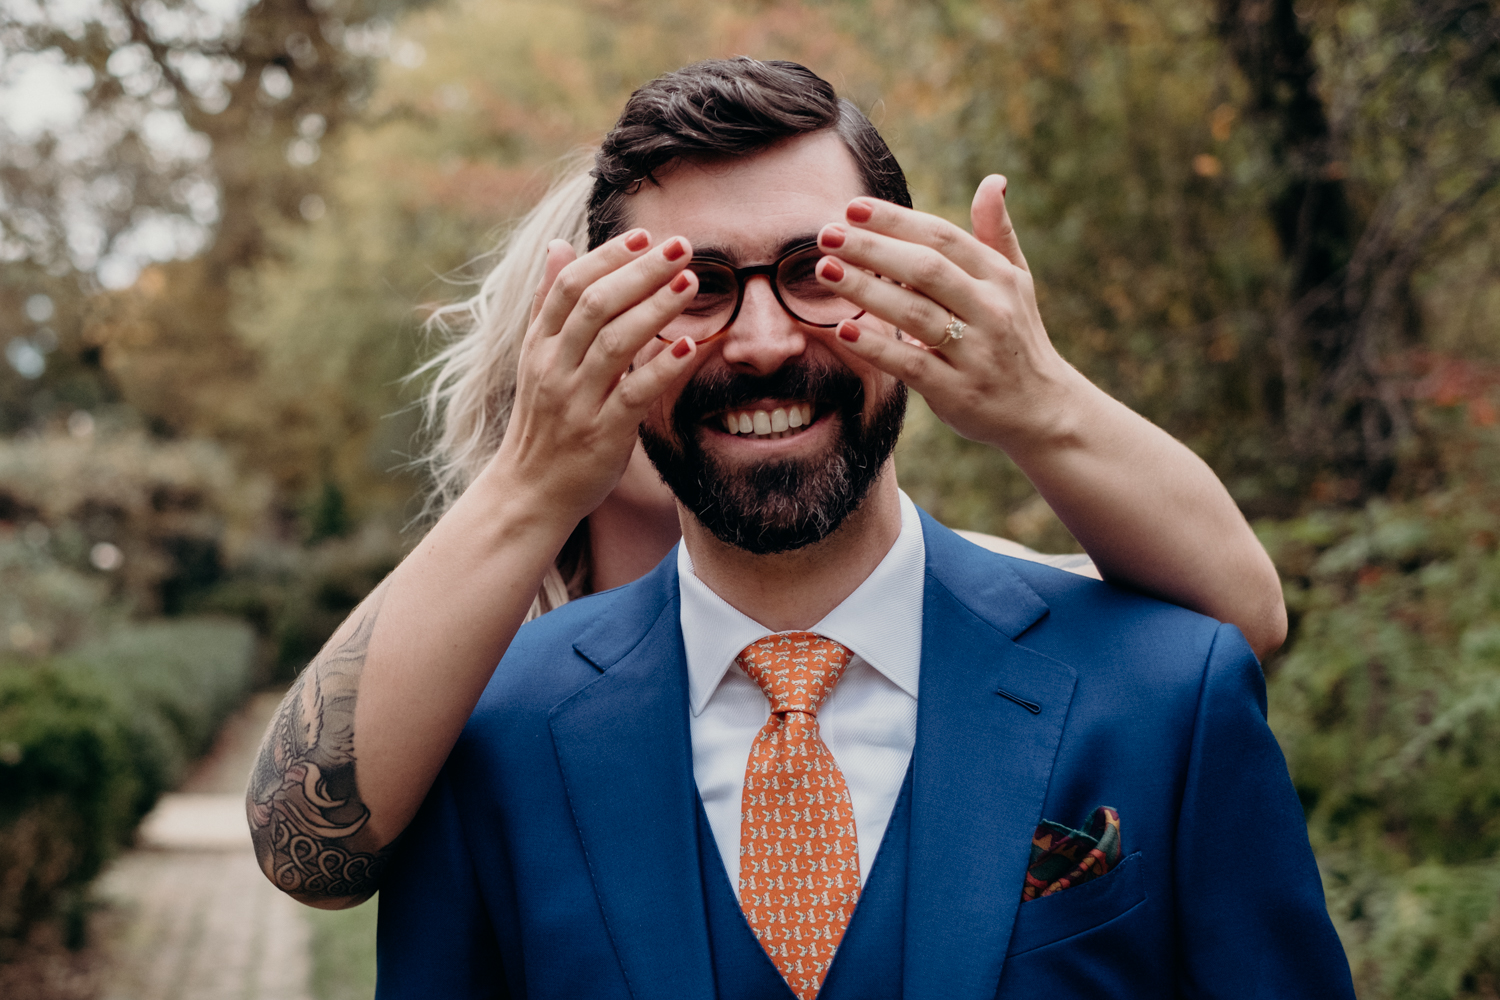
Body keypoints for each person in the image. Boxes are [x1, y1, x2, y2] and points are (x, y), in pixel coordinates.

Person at [370, 58, 1352, 997]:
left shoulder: (1165, 689)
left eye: (815, 268)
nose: (761, 343)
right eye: (697, 287)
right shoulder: (480, 737)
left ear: (909, 291)